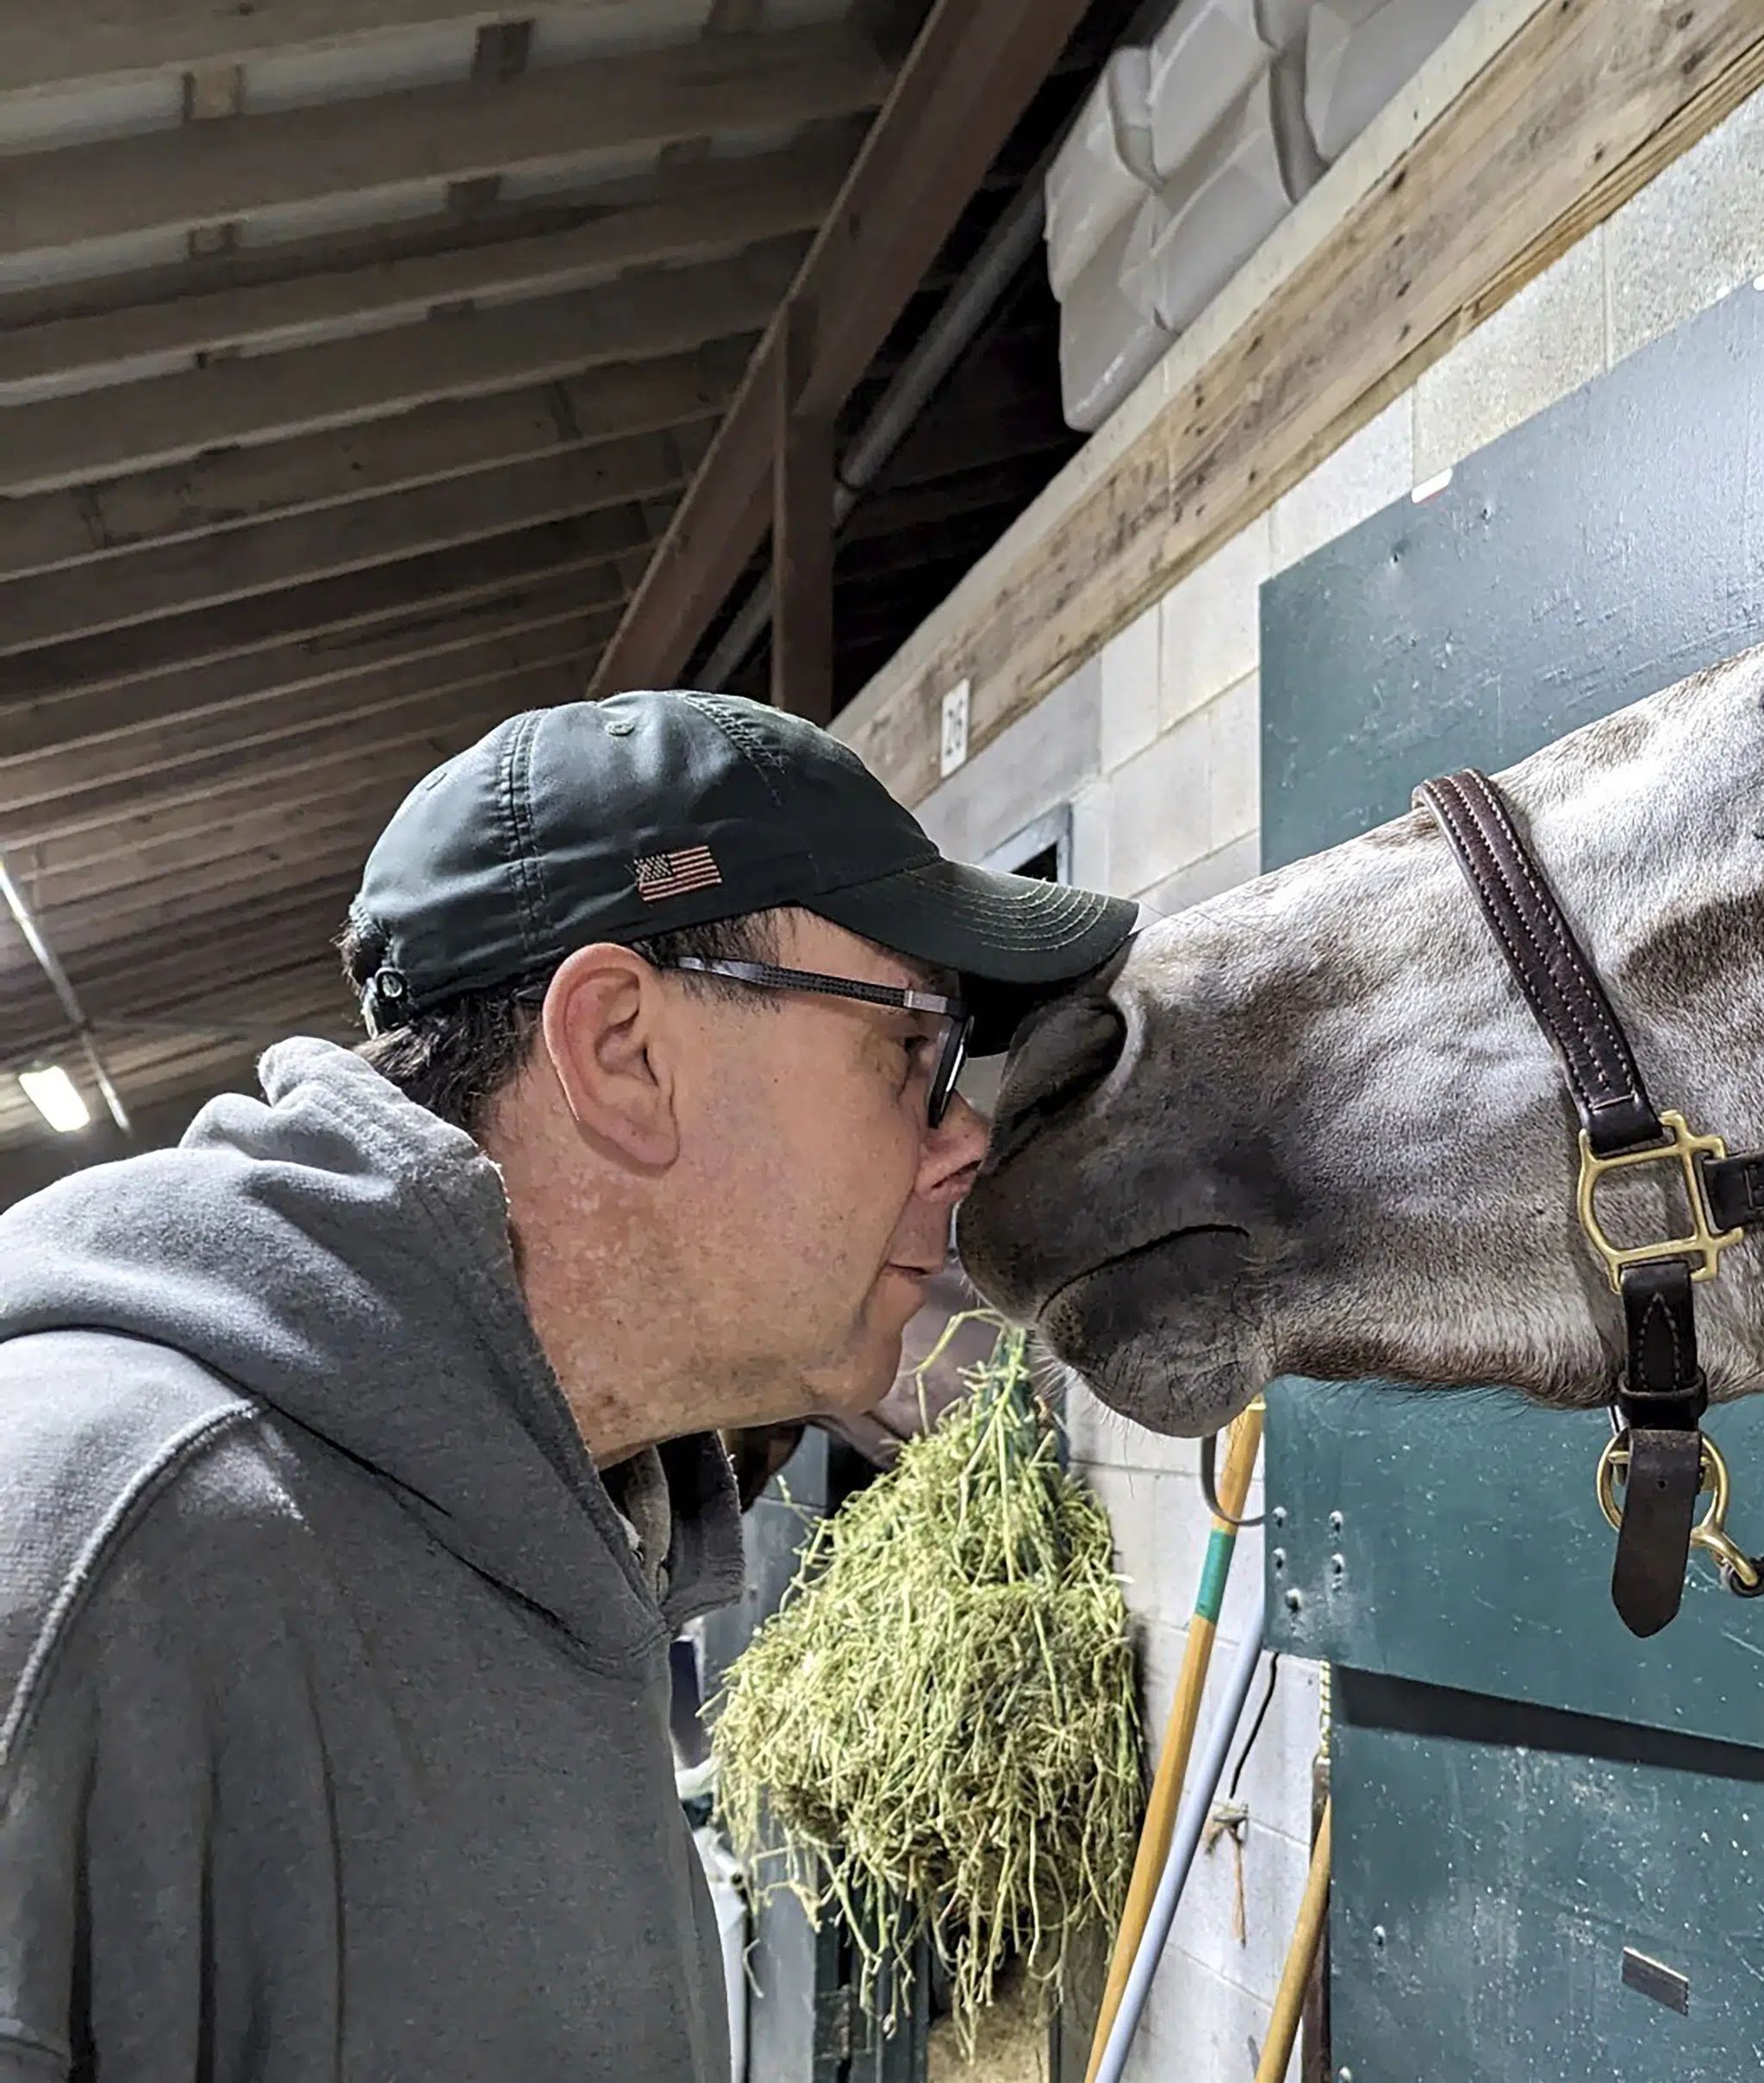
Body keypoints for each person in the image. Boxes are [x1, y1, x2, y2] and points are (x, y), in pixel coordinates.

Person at [0, 691, 1134, 2083]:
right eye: (912, 1049)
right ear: (622, 1051)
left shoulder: (579, 1541)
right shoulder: (87, 1546)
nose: (962, 1136)